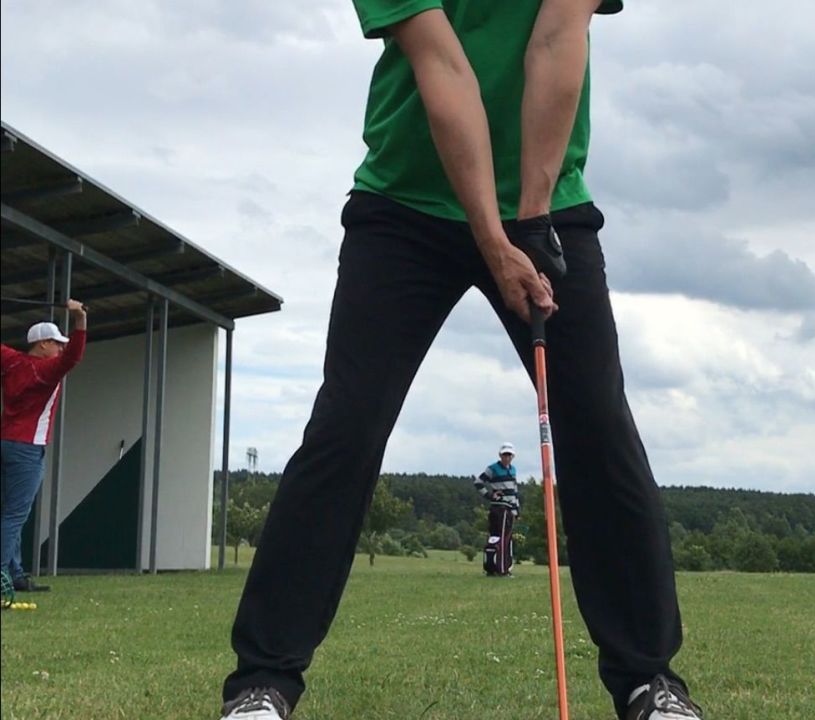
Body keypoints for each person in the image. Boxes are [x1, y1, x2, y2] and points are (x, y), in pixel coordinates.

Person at [220, 1, 703, 719]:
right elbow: (444, 65)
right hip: (404, 203)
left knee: (598, 425)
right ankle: (263, 682)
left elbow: (557, 37)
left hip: (548, 201)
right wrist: (493, 238)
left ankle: (648, 682)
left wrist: (531, 218)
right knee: (347, 427)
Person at [1, 301, 88, 594]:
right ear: (43, 344)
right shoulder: (46, 370)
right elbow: (74, 356)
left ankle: (14, 575)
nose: (61, 349)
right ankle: (1, 575)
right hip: (28, 448)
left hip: (6, 441)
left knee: (9, 512)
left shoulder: (11, 361)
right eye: (57, 343)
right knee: (14, 515)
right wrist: (80, 318)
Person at [475, 441, 520, 577]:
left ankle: (496, 567)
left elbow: (514, 491)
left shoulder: (513, 469)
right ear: (500, 455)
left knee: (504, 538)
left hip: (509, 509)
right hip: (499, 508)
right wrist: (490, 495)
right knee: (499, 538)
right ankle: (501, 569)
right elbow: (478, 482)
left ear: (512, 456)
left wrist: (516, 510)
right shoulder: (493, 468)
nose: (507, 457)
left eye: (509, 455)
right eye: (505, 454)